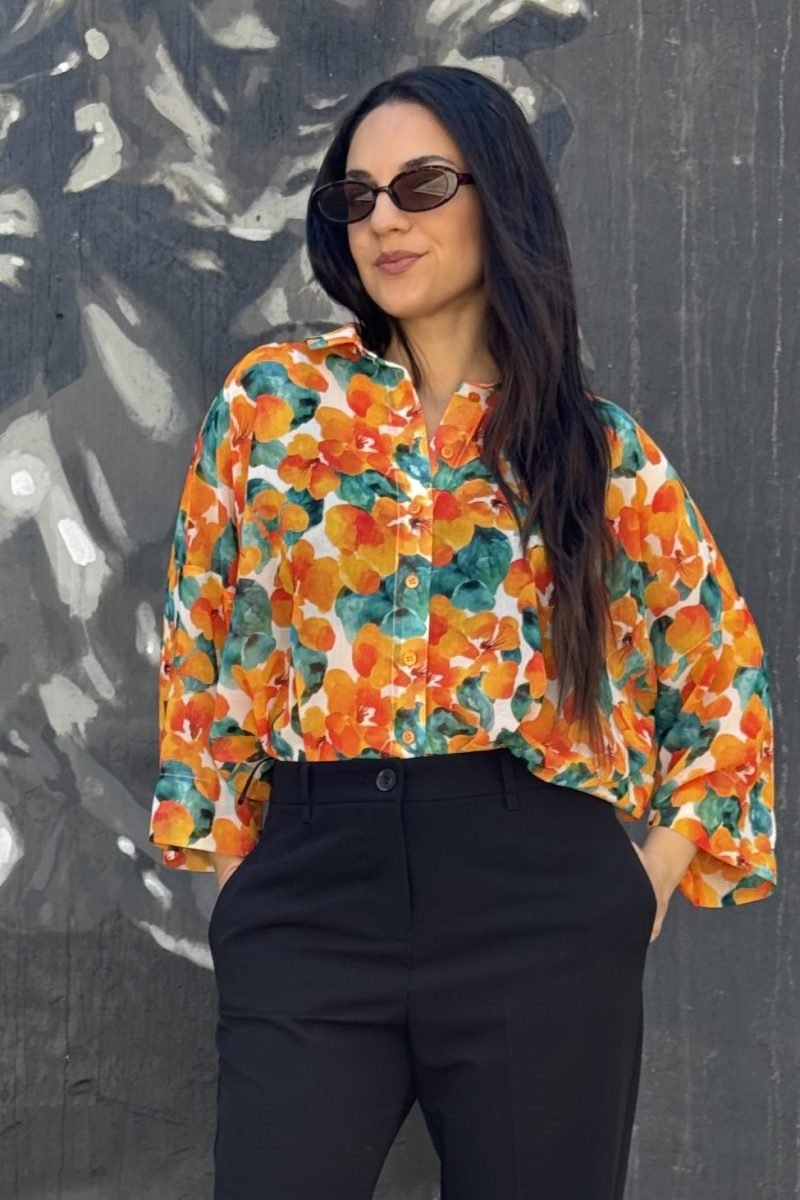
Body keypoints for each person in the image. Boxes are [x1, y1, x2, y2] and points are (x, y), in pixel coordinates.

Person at [148, 65, 777, 1200]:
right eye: (356, 197)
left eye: (423, 185)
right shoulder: (272, 406)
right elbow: (208, 654)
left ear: (502, 198)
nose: (384, 219)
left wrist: (634, 890)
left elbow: (721, 677)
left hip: (537, 898)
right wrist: (241, 886)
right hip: (312, 891)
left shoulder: (596, 450)